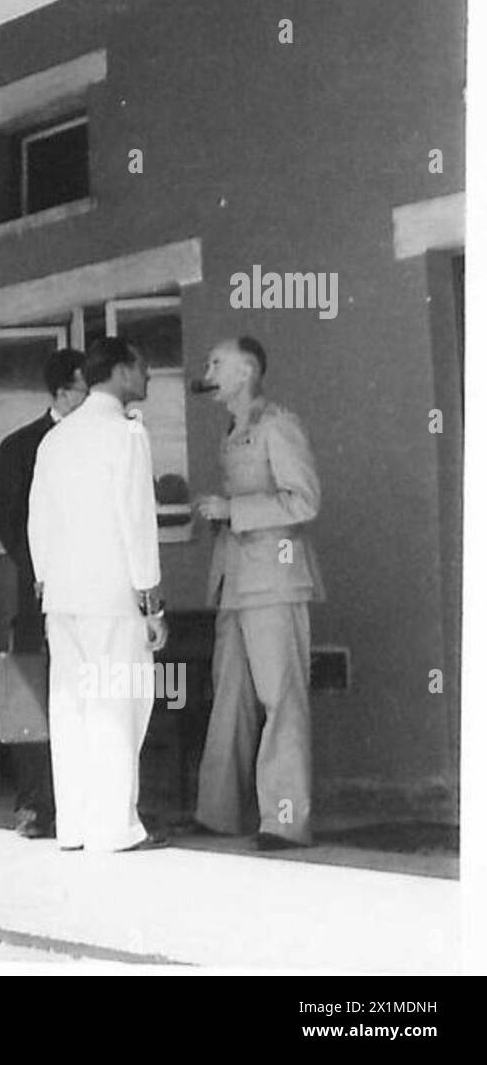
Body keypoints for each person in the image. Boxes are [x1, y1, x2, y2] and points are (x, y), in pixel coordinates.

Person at [28, 338, 169, 852]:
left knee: (72, 710)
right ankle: (115, 829)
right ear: (122, 370)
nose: (149, 374)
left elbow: (36, 524)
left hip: (61, 598)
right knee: (117, 706)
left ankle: (77, 826)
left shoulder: (56, 439)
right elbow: (137, 522)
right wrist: (151, 601)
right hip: (112, 596)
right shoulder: (126, 433)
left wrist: (48, 581)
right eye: (143, 365)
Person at [189, 337, 324, 850]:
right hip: (237, 581)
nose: (208, 371)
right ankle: (218, 813)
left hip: (274, 579)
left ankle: (285, 820)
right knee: (230, 700)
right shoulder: (234, 430)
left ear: (246, 372)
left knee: (280, 698)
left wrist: (232, 510)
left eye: (216, 363)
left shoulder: (277, 423)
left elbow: (304, 500)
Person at [0, 348, 87, 838]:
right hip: (37, 592)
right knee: (31, 694)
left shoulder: (101, 441)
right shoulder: (19, 446)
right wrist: (46, 573)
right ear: (63, 391)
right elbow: (10, 526)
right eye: (83, 388)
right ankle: (34, 804)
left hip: (91, 593)